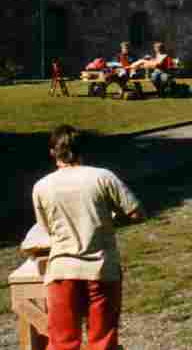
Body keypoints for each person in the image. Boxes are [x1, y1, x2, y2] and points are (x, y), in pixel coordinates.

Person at [32, 125, 144, 350]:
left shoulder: (41, 186)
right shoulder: (102, 177)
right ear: (82, 149)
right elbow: (137, 213)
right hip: (101, 270)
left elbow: (47, 229)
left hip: (62, 271)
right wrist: (108, 221)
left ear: (53, 152)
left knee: (62, 343)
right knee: (102, 340)